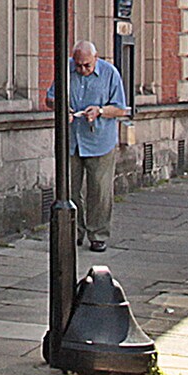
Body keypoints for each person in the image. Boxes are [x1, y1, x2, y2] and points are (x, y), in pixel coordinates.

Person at [48, 39, 131, 252]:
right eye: (78, 65)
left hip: (100, 141)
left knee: (100, 192)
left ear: (96, 58)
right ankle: (74, 232)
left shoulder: (110, 73)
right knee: (69, 189)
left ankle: (98, 235)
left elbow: (121, 109)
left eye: (87, 65)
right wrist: (61, 109)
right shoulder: (65, 69)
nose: (82, 69)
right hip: (72, 141)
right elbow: (50, 98)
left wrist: (100, 111)